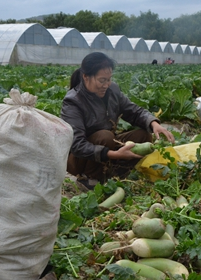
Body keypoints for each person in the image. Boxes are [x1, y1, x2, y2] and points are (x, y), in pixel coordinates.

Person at [61, 52, 175, 190]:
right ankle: (90, 179)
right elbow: (77, 145)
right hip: (81, 159)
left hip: (108, 146)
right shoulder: (73, 101)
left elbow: (133, 110)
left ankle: (117, 172)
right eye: (102, 80)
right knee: (105, 136)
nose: (106, 85)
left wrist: (154, 124)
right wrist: (114, 154)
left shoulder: (112, 90)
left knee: (143, 135)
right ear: (86, 77)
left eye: (109, 79)